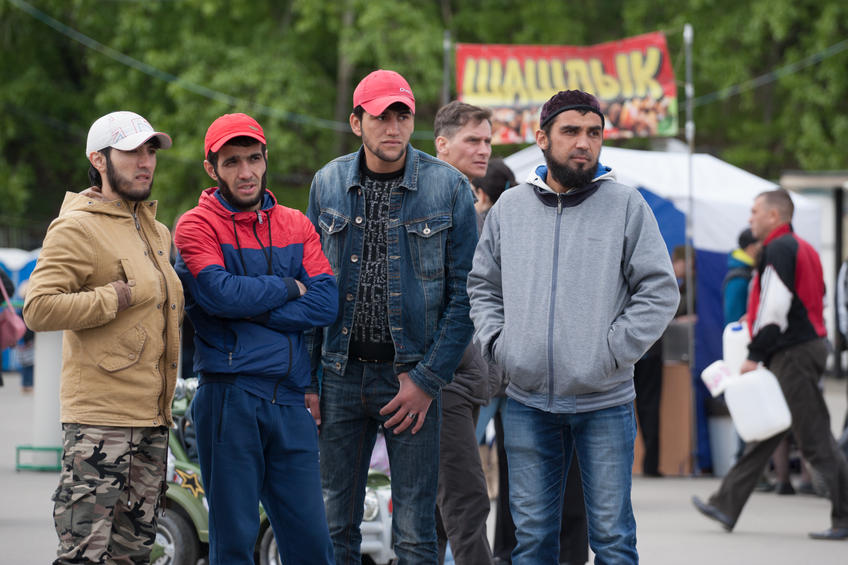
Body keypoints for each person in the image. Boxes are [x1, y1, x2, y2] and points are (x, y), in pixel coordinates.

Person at [467, 89, 679, 564]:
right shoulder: (510, 208)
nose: (583, 142)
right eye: (570, 131)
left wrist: (612, 351)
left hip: (604, 400)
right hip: (526, 401)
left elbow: (660, 290)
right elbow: (482, 285)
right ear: (542, 138)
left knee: (613, 540)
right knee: (532, 542)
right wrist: (500, 345)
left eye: (593, 132)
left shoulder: (627, 206)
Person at [307, 69, 478, 565]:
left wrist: (426, 381)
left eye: (402, 115)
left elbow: (466, 297)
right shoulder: (327, 183)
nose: (393, 127)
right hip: (339, 375)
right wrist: (308, 382)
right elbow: (313, 287)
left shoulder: (449, 187)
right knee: (334, 526)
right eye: (381, 116)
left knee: (415, 532)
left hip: (412, 378)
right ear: (356, 122)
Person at [172, 113, 338, 564]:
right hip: (230, 398)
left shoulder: (295, 223)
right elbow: (219, 295)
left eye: (253, 159)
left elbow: (326, 304)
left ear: (266, 159)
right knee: (234, 546)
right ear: (211, 168)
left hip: (291, 401)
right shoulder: (194, 226)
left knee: (313, 547)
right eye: (232, 162)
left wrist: (249, 307)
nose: (245, 172)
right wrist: (288, 286)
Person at [22, 110, 182, 564]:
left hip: (152, 420)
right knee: (84, 556)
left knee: (133, 554)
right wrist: (112, 297)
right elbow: (38, 308)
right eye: (131, 152)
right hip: (99, 425)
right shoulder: (78, 226)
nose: (145, 162)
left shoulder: (156, 231)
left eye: (150, 151)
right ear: (98, 159)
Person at [692, 188, 848, 540]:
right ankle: (725, 504)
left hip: (792, 352)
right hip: (805, 347)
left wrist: (754, 355)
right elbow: (817, 297)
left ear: (774, 216)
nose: (750, 218)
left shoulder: (777, 249)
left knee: (816, 439)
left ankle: (845, 517)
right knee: (767, 430)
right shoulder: (804, 248)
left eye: (755, 212)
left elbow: (775, 308)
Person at [432, 99, 494, 565]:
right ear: (443, 144)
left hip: (469, 373)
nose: (484, 149)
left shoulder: (469, 203)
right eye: (473, 140)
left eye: (487, 141)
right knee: (466, 500)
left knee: (438, 511)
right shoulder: (430, 203)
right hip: (440, 376)